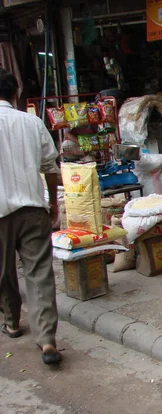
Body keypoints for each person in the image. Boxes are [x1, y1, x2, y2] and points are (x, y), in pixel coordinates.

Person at [0, 68, 62, 365]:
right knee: (39, 274)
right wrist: (53, 203)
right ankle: (47, 339)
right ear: (15, 94)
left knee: (3, 274)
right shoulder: (32, 122)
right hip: (33, 208)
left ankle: (12, 322)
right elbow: (50, 167)